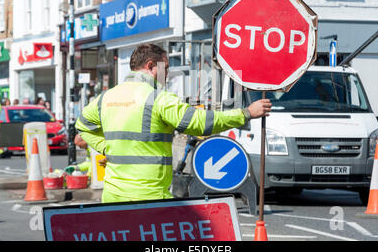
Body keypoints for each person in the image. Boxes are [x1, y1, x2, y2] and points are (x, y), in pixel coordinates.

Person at [76, 43, 272, 203]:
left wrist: (106, 147)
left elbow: (83, 126)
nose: (167, 74)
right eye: (165, 68)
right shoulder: (157, 98)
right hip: (148, 196)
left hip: (112, 195)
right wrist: (246, 113)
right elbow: (200, 123)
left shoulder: (106, 97)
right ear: (151, 66)